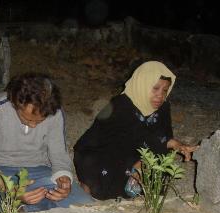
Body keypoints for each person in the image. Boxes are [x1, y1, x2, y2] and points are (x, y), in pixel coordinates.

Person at [73, 61, 198, 200]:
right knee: (105, 178)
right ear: (142, 85)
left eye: (165, 90)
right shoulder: (120, 105)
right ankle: (89, 185)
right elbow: (131, 136)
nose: (160, 95)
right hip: (104, 152)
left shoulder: (163, 108)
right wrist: (141, 162)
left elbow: (164, 135)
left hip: (140, 151)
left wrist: (175, 146)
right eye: (155, 88)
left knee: (160, 171)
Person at [0, 72, 93, 213]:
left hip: (39, 173)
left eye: (39, 121)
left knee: (86, 206)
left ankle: (24, 209)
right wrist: (13, 191)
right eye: (28, 119)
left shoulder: (54, 112)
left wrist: (63, 178)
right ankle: (32, 207)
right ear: (16, 103)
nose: (33, 126)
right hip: (0, 174)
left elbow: (59, 155)